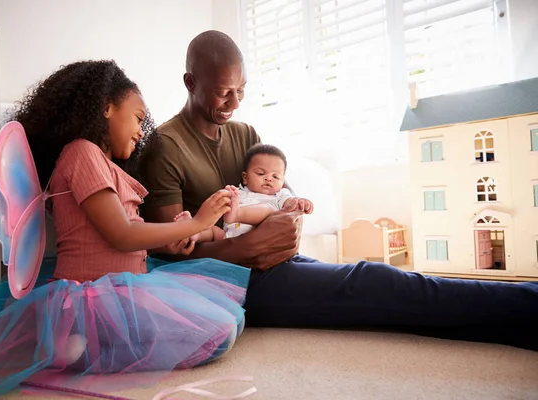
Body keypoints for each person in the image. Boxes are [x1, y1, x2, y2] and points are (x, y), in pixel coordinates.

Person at [139, 30, 538, 351]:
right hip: (235, 284)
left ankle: (521, 319)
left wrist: (281, 226)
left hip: (274, 264)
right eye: (223, 91)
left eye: (241, 90)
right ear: (191, 82)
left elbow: (285, 200)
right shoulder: (165, 147)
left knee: (383, 286)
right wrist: (248, 248)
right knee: (374, 285)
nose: (235, 102)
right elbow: (171, 254)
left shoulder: (244, 134)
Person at [0, 60, 250, 398]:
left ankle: (82, 347)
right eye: (136, 117)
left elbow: (131, 235)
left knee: (228, 323)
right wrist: (198, 222)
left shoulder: (107, 166)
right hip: (91, 294)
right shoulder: (81, 153)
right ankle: (76, 348)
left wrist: (173, 240)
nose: (141, 131)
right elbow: (121, 235)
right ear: (106, 108)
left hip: (125, 286)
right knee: (219, 334)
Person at [223, 143, 313, 238]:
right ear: (245, 178)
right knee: (210, 231)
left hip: (264, 242)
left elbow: (291, 204)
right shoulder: (236, 193)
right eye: (261, 173)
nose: (269, 179)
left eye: (275, 176)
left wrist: (299, 202)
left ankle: (237, 214)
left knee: (269, 210)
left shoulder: (280, 195)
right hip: (229, 239)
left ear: (282, 181)